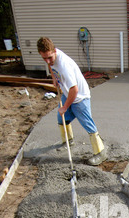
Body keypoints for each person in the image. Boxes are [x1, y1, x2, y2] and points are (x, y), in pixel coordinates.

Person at [37, 37, 106, 166]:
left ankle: (100, 152)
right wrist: (55, 79)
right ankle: (68, 142)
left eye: (49, 58)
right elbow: (51, 67)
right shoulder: (51, 58)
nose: (47, 61)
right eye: (44, 58)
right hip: (67, 93)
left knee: (87, 124)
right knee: (62, 119)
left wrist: (65, 107)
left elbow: (74, 89)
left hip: (80, 97)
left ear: (54, 51)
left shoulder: (64, 65)